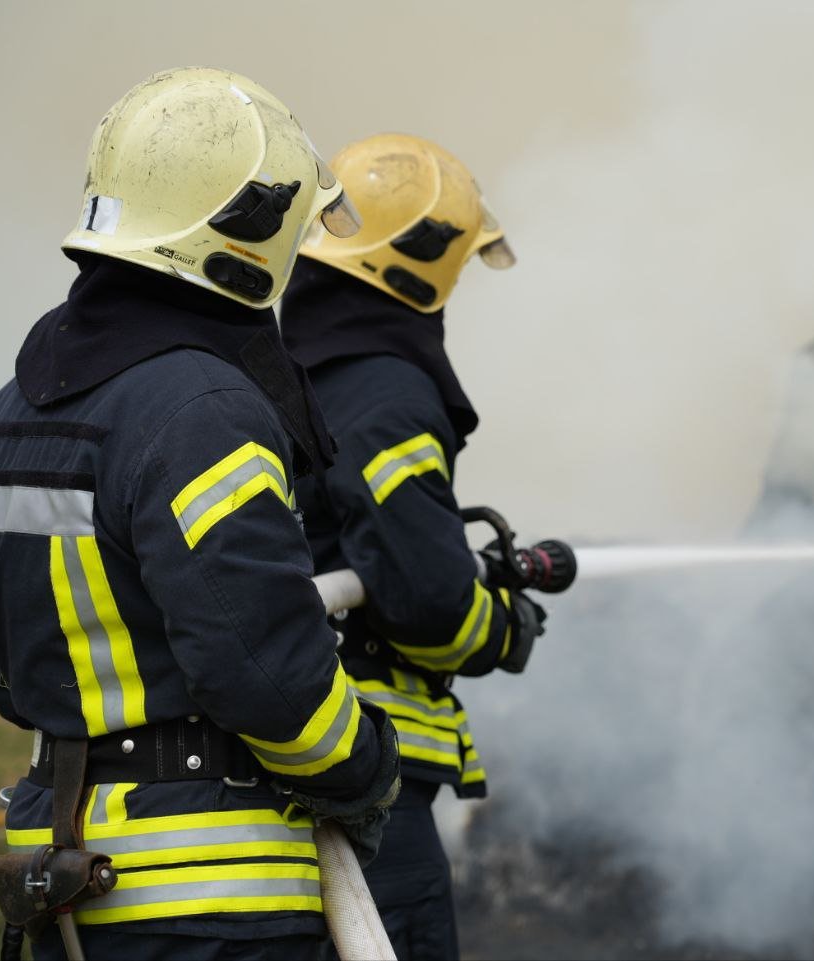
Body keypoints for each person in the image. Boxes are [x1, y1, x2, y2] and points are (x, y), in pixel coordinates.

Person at [0, 67, 400, 961]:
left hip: (64, 878)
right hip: (209, 900)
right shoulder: (205, 410)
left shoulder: (9, 413)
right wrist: (365, 764)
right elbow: (266, 671)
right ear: (250, 232)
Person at [280, 133, 559, 960]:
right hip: (372, 772)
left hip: (297, 756)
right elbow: (428, 599)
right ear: (421, 267)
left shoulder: (290, 374)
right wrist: (502, 627)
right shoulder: (385, 392)